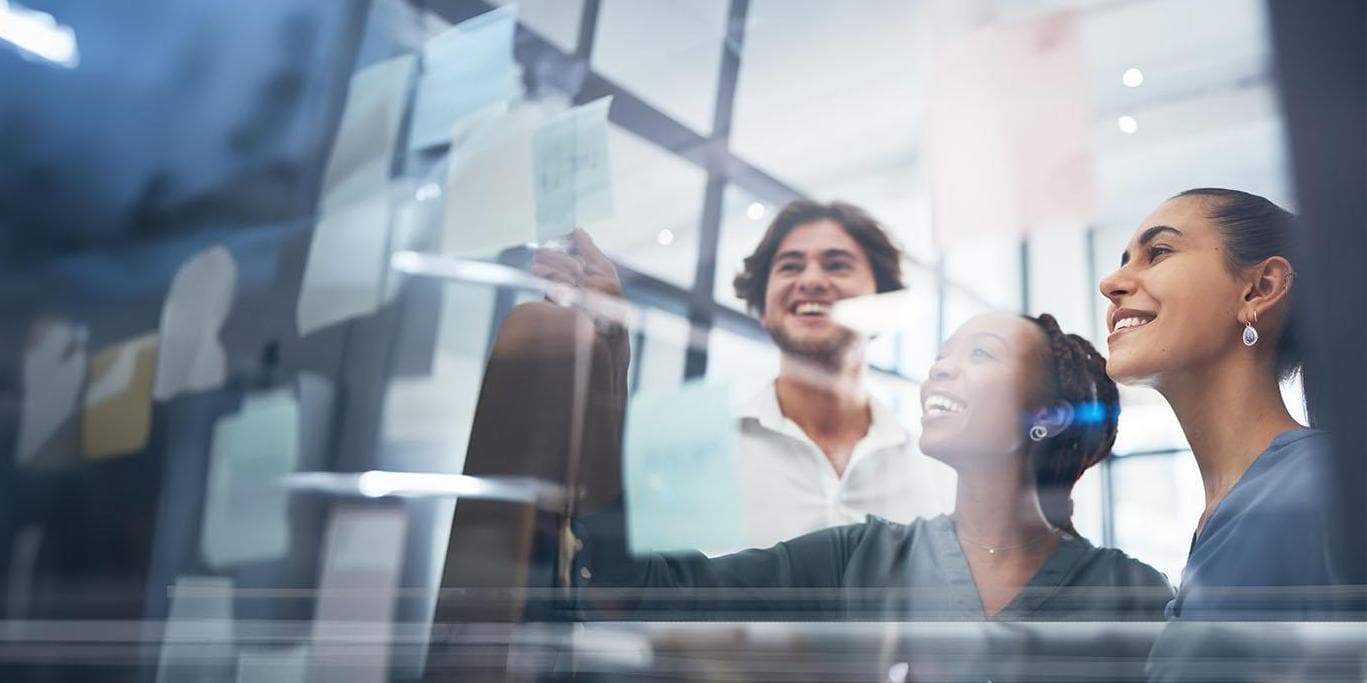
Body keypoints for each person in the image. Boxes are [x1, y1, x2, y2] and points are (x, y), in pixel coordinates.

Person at [567, 312, 1172, 625]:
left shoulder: (1132, 595)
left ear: (1048, 416)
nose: (940, 368)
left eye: (981, 354)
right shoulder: (859, 561)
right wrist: (607, 376)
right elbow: (660, 594)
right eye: (943, 355)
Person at [533, 201, 953, 555]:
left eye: (837, 264)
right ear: (763, 308)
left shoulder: (940, 474)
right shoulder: (690, 452)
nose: (810, 280)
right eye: (790, 266)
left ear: (881, 302)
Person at [1098, 188, 1347, 680]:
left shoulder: (1315, 489)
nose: (1110, 283)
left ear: (1259, 289)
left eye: (1159, 252)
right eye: (1124, 261)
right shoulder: (1249, 506)